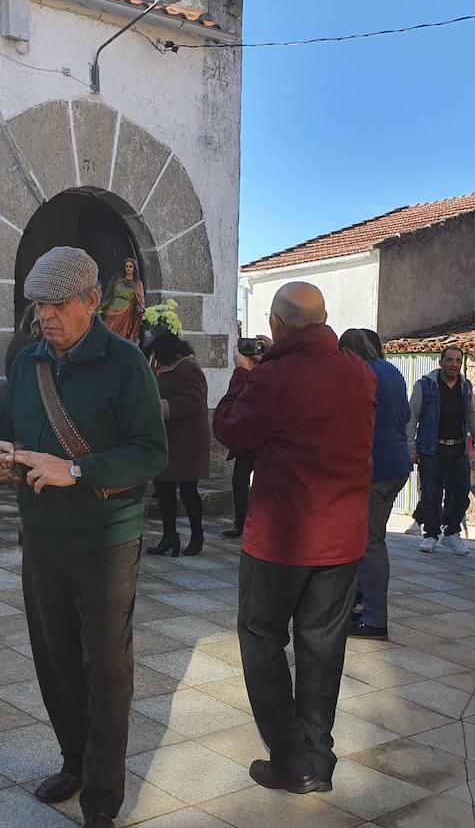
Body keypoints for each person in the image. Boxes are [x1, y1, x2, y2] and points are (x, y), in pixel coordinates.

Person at [0, 246, 167, 828]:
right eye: (40, 306)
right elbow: (1, 425)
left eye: (59, 304)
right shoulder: (28, 361)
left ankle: (102, 802)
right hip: (41, 536)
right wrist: (0, 454)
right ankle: (72, 759)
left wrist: (79, 472)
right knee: (55, 657)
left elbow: (150, 452)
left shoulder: (125, 364)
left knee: (106, 667)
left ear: (92, 300)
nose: (47, 317)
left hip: (106, 539)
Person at [213, 282, 375, 793]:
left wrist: (243, 378)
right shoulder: (360, 372)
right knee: (323, 647)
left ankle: (288, 757)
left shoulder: (273, 378)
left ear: (277, 325)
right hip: (343, 537)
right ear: (324, 318)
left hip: (281, 540)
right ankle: (319, 758)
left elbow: (231, 433)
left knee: (261, 639)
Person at [340, 328, 408, 641]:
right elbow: (405, 414)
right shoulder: (392, 371)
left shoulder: (361, 374)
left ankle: (374, 619)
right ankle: (359, 602)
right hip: (396, 463)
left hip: (375, 468)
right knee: (365, 538)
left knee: (369, 542)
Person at [407, 346, 475, 556]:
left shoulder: (465, 387)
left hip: (458, 448)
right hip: (432, 449)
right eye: (449, 360)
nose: (454, 364)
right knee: (431, 495)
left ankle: (451, 532)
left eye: (458, 361)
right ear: (441, 362)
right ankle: (431, 535)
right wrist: (410, 447)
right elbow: (412, 418)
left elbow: (472, 416)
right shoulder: (425, 386)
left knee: (461, 493)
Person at [144, 331, 210, 557]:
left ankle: (196, 536)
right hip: (170, 439)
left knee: (188, 490)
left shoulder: (188, 368)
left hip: (186, 441)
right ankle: (169, 536)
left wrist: (161, 407)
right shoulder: (171, 368)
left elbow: (193, 401)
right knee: (164, 489)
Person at [101, 257, 145, 342]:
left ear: (134, 268)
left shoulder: (137, 284)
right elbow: (109, 293)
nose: (128, 268)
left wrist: (140, 308)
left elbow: (140, 299)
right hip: (112, 307)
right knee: (108, 328)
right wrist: (103, 305)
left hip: (125, 312)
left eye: (130, 266)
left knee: (121, 334)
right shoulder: (117, 280)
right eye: (127, 266)